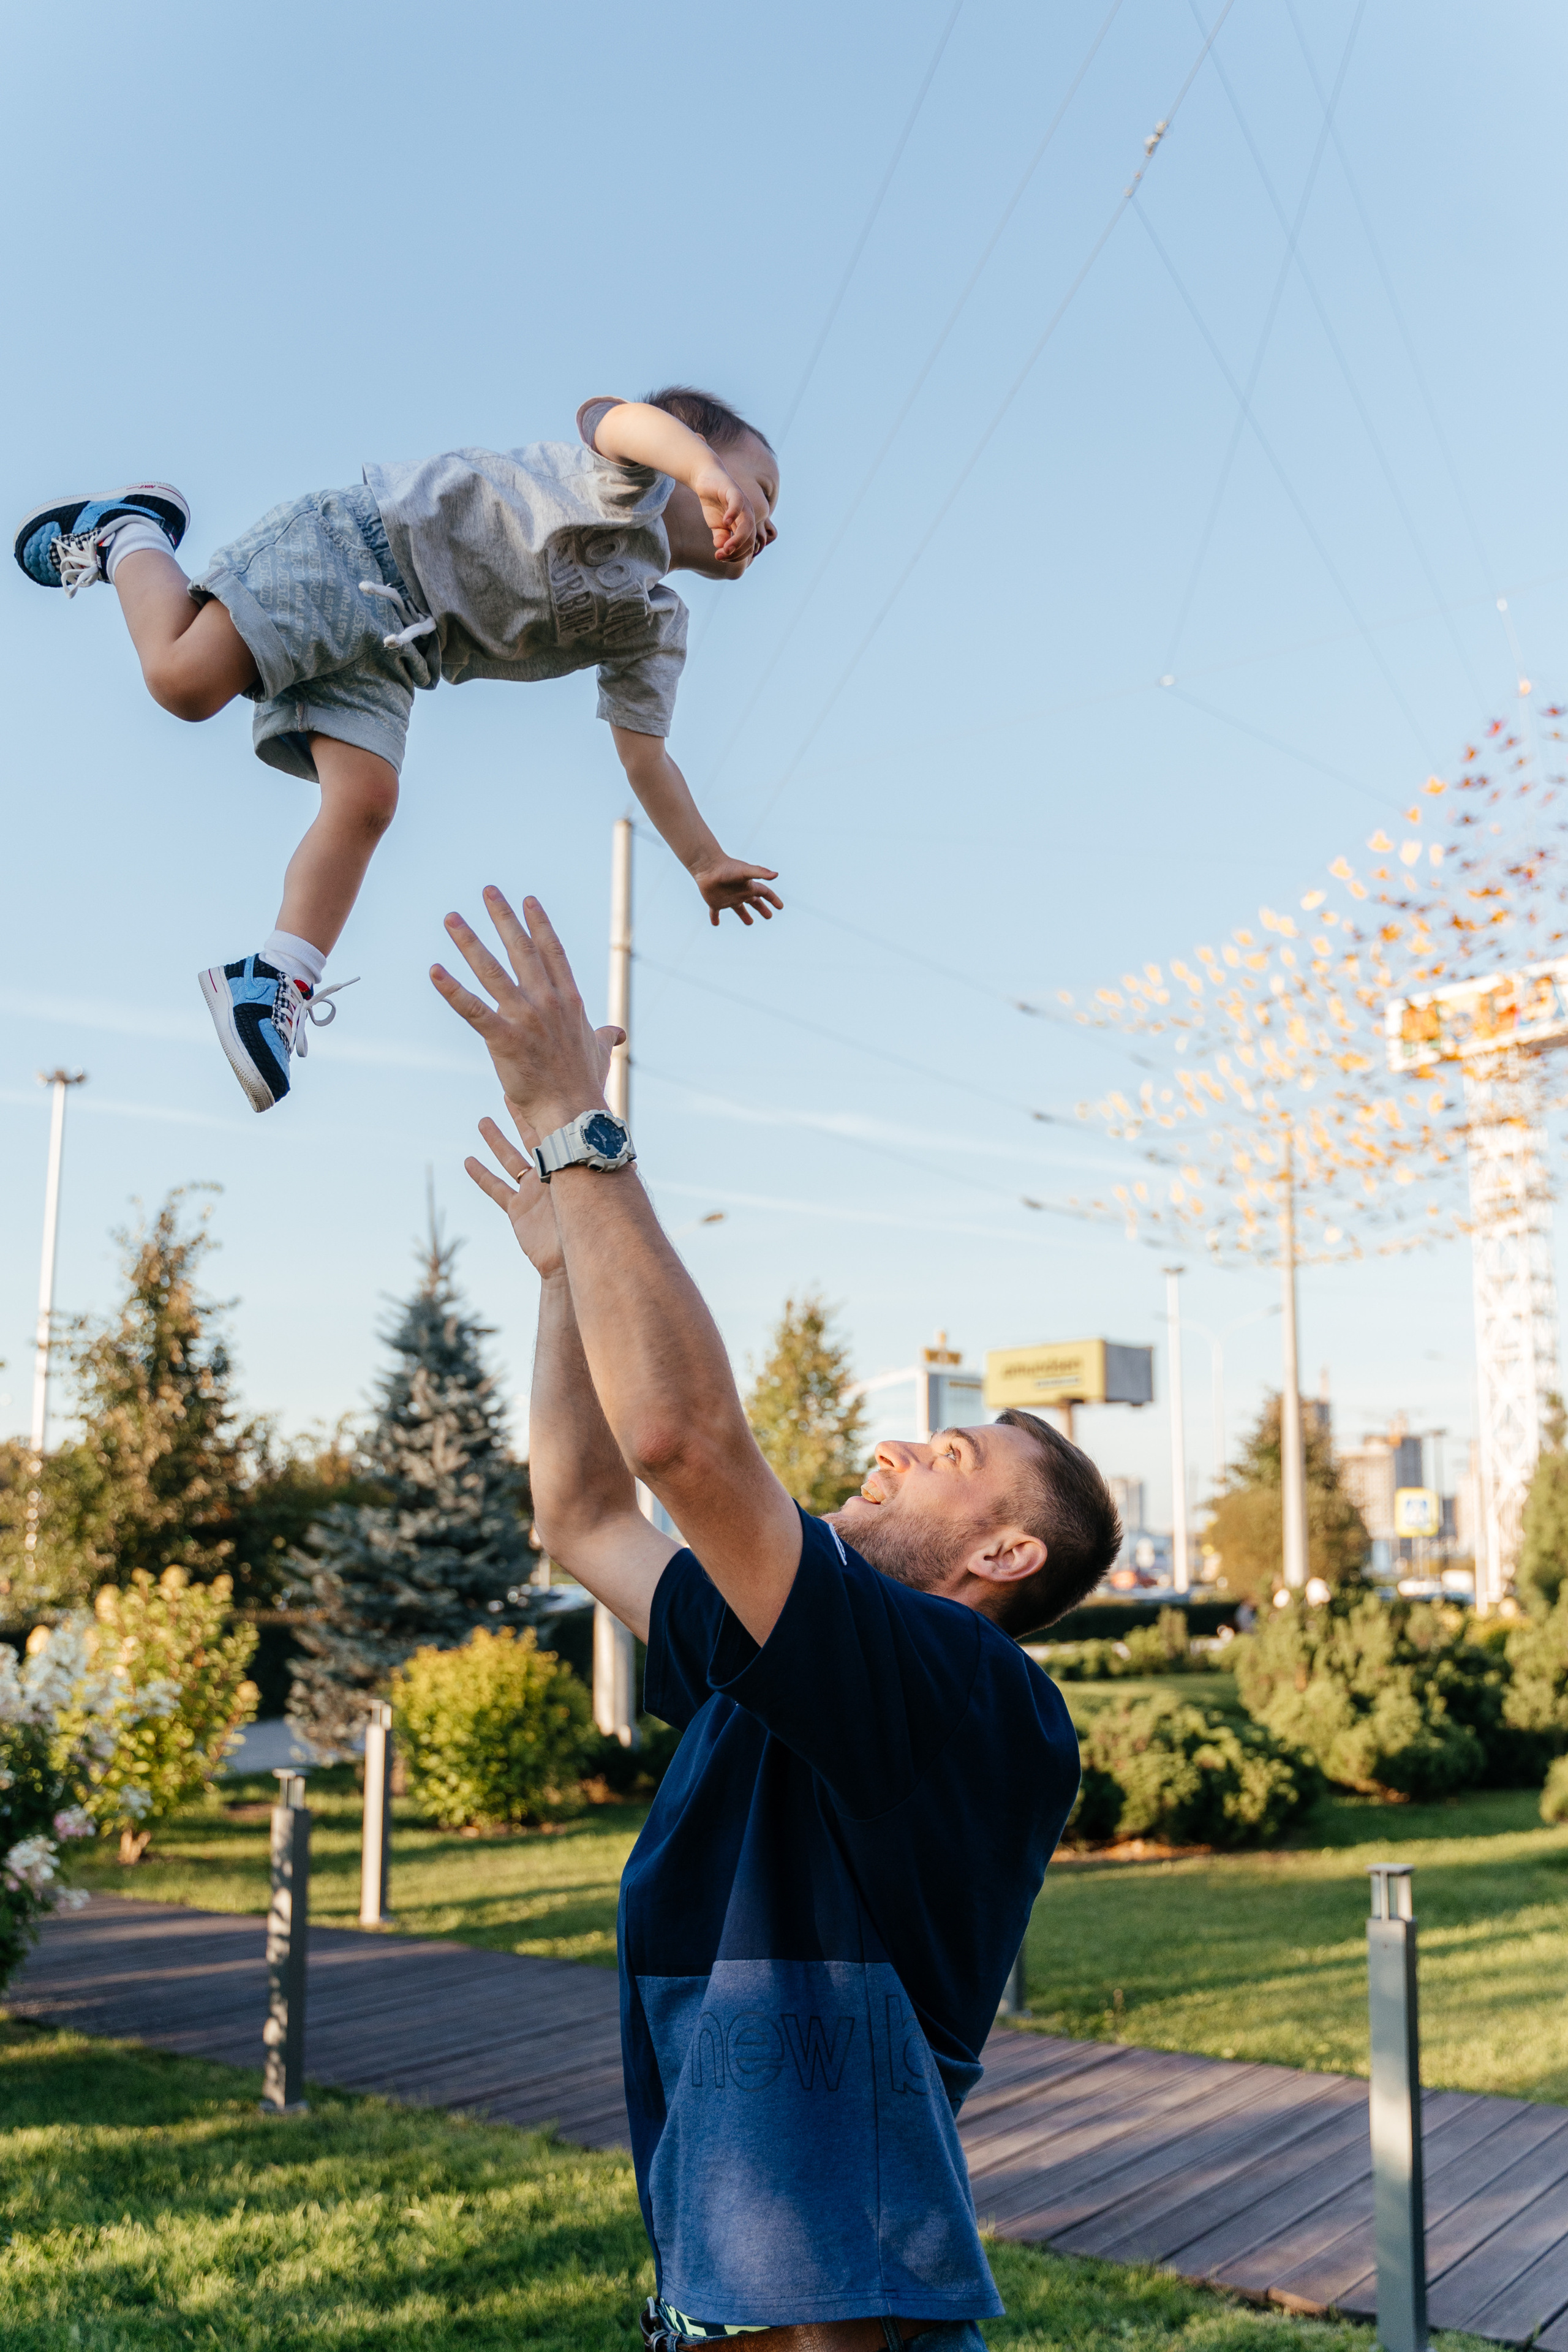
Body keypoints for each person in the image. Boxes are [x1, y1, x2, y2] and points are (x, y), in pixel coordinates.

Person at [431, 886, 1121, 2352]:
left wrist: (577, 1124)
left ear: (1002, 1547)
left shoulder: (953, 1688)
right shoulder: (794, 1663)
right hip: (724, 2282)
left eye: (947, 1456)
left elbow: (680, 1440)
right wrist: (562, 1270)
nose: (893, 1444)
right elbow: (585, 1517)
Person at [12, 390, 782, 1113]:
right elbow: (619, 418)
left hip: (399, 650)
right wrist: (701, 468)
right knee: (183, 681)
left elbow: (645, 756)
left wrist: (704, 861)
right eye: (765, 490)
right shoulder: (631, 481)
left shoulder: (653, 624)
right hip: (360, 551)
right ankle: (129, 532)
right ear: (690, 451)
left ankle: (274, 980)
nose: (769, 523)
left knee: (368, 802)